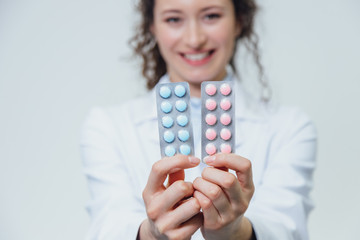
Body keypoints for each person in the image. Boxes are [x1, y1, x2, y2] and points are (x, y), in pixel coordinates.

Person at [80, 0, 317, 239]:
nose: (194, 39)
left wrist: (236, 232)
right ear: (152, 26)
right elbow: (108, 224)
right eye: (173, 19)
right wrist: (149, 235)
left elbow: (286, 227)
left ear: (239, 21)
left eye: (211, 16)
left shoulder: (290, 127)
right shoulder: (107, 127)